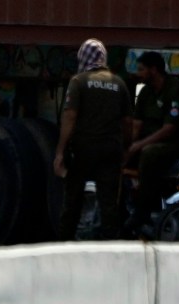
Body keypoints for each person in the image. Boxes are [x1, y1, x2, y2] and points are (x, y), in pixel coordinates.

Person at [55, 39, 130, 239]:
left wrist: (60, 150)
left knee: (72, 200)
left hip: (83, 150)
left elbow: (70, 117)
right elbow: (127, 122)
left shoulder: (78, 81)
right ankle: (110, 248)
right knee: (109, 203)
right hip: (111, 150)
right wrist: (125, 149)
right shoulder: (119, 83)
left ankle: (64, 244)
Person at [124, 51, 179, 225]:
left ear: (154, 70)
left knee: (149, 153)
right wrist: (128, 146)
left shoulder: (175, 90)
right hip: (153, 141)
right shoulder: (145, 93)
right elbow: (137, 124)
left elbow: (169, 129)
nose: (138, 74)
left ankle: (143, 211)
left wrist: (139, 145)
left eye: (141, 70)